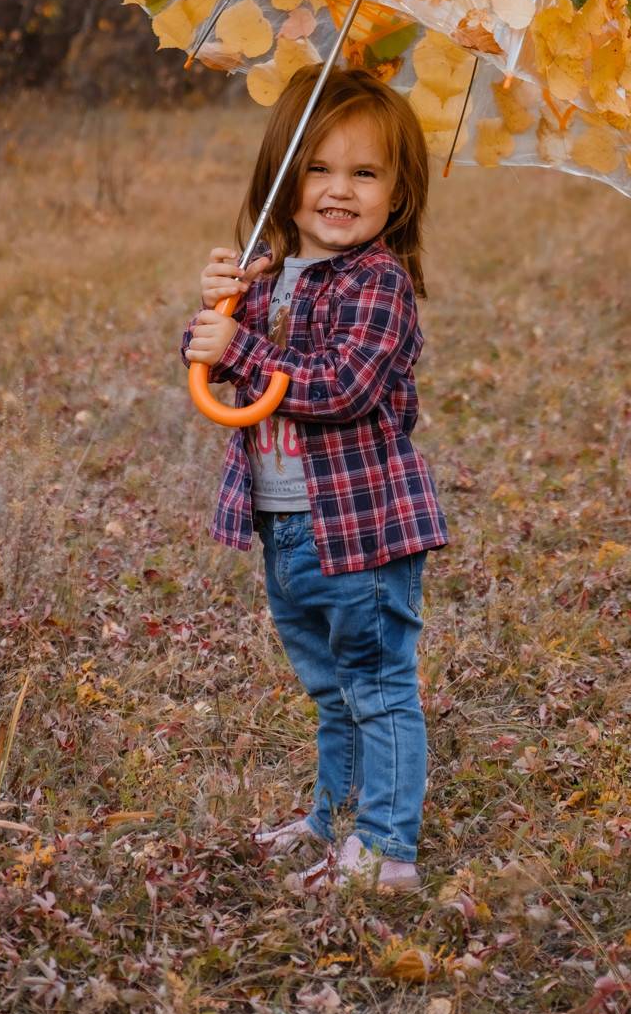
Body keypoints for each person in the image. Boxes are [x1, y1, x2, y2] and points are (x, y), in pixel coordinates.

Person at [182, 65, 447, 893]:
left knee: (378, 686)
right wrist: (216, 313)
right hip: (285, 525)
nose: (339, 190)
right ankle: (332, 822)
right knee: (333, 691)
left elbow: (341, 386)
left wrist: (242, 347)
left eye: (365, 173)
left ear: (397, 195)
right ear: (282, 177)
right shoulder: (268, 275)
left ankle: (386, 852)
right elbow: (210, 362)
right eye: (319, 168)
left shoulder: (379, 283)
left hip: (359, 529)